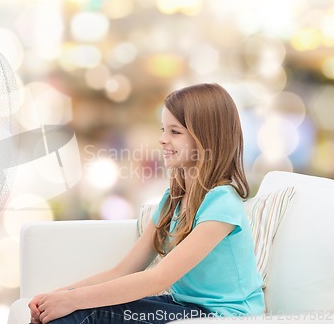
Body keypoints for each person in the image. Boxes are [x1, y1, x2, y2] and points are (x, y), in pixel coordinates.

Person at [28, 83, 265, 324]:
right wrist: (58, 296)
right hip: (183, 306)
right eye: (163, 129)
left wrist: (72, 301)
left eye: (175, 132)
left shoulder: (222, 202)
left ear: (206, 137)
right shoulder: (174, 199)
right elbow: (121, 271)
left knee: (84, 312)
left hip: (220, 315)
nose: (162, 139)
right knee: (68, 312)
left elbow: (157, 279)